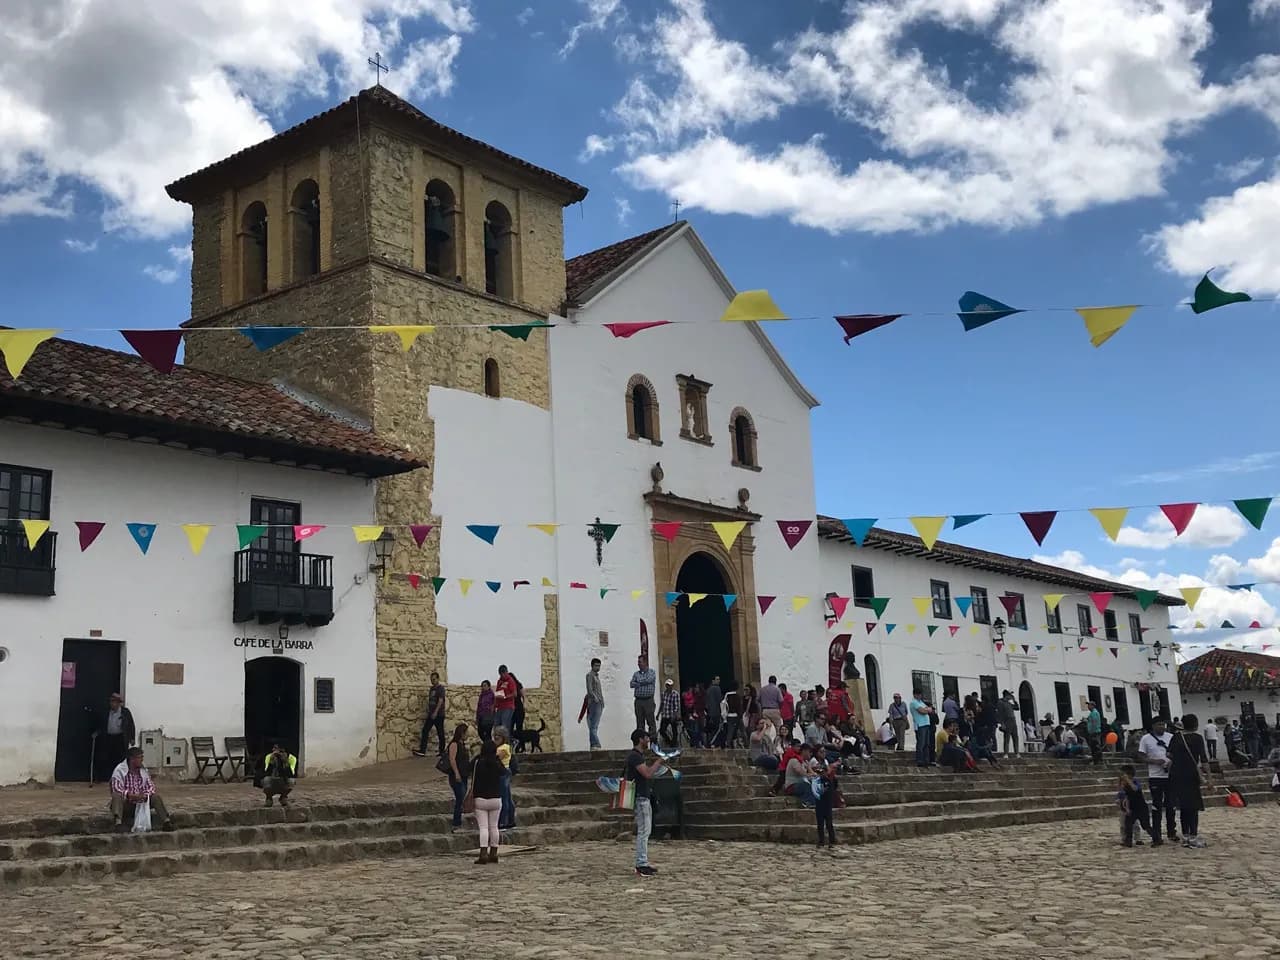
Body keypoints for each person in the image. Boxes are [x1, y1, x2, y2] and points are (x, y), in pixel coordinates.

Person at [625, 728, 665, 877]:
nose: (648, 740)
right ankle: (641, 864)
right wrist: (659, 761)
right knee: (643, 831)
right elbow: (647, 773)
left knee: (646, 831)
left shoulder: (638, 756)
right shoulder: (635, 757)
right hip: (640, 797)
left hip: (643, 797)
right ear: (640, 739)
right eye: (646, 738)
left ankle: (643, 862)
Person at [1168, 713, 1212, 848]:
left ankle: (1185, 835)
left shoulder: (1176, 737)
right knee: (1193, 806)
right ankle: (1193, 835)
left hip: (1176, 775)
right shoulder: (1197, 738)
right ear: (1195, 725)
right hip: (1191, 774)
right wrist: (1209, 778)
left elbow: (1169, 754)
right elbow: (1203, 759)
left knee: (1184, 806)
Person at [109, 746, 173, 832]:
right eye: (140, 757)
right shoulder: (120, 770)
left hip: (141, 803)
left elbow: (151, 787)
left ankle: (166, 822)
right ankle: (118, 823)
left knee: (156, 797)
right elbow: (116, 788)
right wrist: (130, 795)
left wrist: (144, 796)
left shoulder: (143, 770)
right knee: (116, 796)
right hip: (127, 804)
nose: (142, 760)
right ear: (132, 759)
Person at [1138, 718, 1177, 846]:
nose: (1162, 727)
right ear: (1153, 726)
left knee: (1171, 805)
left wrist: (1171, 762)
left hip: (1170, 775)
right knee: (1157, 806)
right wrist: (1154, 761)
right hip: (1155, 776)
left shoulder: (1171, 737)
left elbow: (1176, 753)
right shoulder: (1146, 739)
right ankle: (1157, 835)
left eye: (1163, 724)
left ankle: (1172, 832)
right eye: (1159, 724)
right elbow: (1141, 756)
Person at [470, 740, 504, 864]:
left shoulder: (478, 762)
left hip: (480, 798)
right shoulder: (496, 762)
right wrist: (498, 758)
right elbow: (504, 772)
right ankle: (494, 853)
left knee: (483, 828)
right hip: (495, 797)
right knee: (494, 827)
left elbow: (468, 769)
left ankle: (483, 853)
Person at [97, 693, 136, 782]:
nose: (112, 704)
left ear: (118, 703)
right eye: (111, 702)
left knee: (121, 758)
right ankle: (108, 777)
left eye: (114, 702)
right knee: (108, 757)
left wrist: (132, 738)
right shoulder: (106, 712)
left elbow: (131, 725)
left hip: (120, 738)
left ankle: (121, 777)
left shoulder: (125, 712)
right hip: (109, 738)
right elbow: (102, 725)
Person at [1117, 763, 1155, 847]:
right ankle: (1128, 841)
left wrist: (1128, 780)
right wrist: (1127, 809)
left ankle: (1156, 838)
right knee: (1128, 824)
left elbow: (1135, 789)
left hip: (1141, 807)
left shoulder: (1135, 781)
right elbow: (1126, 797)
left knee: (1145, 825)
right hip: (1132, 807)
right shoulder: (1124, 784)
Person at [413, 672, 447, 757]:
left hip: (439, 714)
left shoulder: (440, 689)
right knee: (425, 730)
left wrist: (435, 712)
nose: (432, 681)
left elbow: (440, 701)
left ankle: (442, 751)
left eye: (434, 679)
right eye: (431, 680)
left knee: (440, 732)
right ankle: (422, 750)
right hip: (431, 714)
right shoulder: (432, 689)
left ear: (438, 679)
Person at [446, 723, 471, 831]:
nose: (468, 735)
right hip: (457, 776)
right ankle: (456, 824)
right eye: (466, 732)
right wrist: (456, 773)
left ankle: (458, 822)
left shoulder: (463, 745)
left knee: (461, 798)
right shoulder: (454, 744)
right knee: (460, 799)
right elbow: (452, 759)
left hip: (464, 775)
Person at [492, 726, 516, 831]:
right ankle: (510, 820)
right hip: (504, 772)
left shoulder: (503, 748)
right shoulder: (503, 747)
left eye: (498, 737)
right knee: (508, 797)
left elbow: (496, 759)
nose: (495, 739)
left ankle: (503, 822)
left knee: (503, 798)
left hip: (503, 773)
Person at [629, 655, 658, 741]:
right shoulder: (636, 674)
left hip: (648, 700)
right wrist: (641, 682)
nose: (638, 664)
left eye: (640, 662)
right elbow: (631, 684)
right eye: (638, 662)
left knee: (651, 721)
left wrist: (638, 682)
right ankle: (641, 741)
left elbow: (649, 680)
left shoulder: (651, 672)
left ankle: (653, 742)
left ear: (645, 662)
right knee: (640, 722)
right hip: (638, 701)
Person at [814, 756, 839, 848]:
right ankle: (821, 841)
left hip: (827, 804)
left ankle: (832, 841)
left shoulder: (830, 780)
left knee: (829, 823)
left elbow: (833, 788)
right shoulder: (816, 781)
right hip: (819, 804)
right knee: (820, 824)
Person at [261, 743, 296, 808]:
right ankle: (269, 798)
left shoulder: (291, 758)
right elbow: (265, 772)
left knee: (291, 781)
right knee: (265, 780)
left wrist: (285, 762)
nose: (273, 750)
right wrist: (271, 761)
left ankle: (283, 797)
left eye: (276, 748)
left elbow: (291, 774)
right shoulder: (268, 756)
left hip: (284, 779)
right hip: (272, 778)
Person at [585, 657, 605, 750]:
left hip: (599, 702)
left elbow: (599, 690)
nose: (598, 667)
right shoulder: (590, 675)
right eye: (596, 665)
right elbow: (590, 689)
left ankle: (593, 744)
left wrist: (602, 701)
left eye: (599, 666)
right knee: (593, 725)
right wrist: (595, 698)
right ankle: (596, 744)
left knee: (594, 725)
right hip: (594, 703)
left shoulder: (597, 676)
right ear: (592, 666)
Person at [910, 689, 933, 767]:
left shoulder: (921, 702)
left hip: (926, 724)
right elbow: (922, 711)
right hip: (920, 725)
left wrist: (927, 709)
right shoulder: (914, 702)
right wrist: (927, 710)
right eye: (918, 694)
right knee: (921, 743)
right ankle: (920, 760)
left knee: (927, 744)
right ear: (914, 695)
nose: (919, 696)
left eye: (920, 694)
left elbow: (930, 709)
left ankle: (926, 760)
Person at [494, 665, 518, 735]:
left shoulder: (510, 681)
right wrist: (495, 704)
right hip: (500, 707)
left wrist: (505, 697)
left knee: (504, 725)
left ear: (506, 672)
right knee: (496, 724)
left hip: (508, 706)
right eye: (501, 674)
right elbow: (497, 692)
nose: (502, 676)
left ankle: (506, 740)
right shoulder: (499, 681)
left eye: (504, 674)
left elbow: (514, 694)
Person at [658, 678, 682, 749]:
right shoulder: (663, 694)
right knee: (662, 731)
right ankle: (669, 741)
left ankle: (674, 744)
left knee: (674, 731)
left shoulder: (675, 694)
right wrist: (658, 714)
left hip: (672, 715)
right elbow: (662, 704)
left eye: (670, 685)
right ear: (666, 686)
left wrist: (674, 715)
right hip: (665, 715)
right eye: (668, 685)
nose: (669, 687)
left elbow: (676, 706)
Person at [999, 691, 1020, 756]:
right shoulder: (1001, 702)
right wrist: (1002, 723)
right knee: (1007, 737)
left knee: (1015, 737)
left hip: (1013, 720)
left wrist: (1014, 700)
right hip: (1007, 720)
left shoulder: (1009, 703)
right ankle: (1006, 753)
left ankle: (1017, 752)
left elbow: (1017, 708)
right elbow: (1000, 713)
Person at [705, 675, 723, 745]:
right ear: (713, 681)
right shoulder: (717, 688)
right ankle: (716, 742)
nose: (719, 681)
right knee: (717, 728)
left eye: (719, 679)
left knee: (710, 728)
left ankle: (709, 742)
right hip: (716, 712)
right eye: (717, 679)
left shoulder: (708, 689)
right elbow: (719, 700)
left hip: (710, 712)